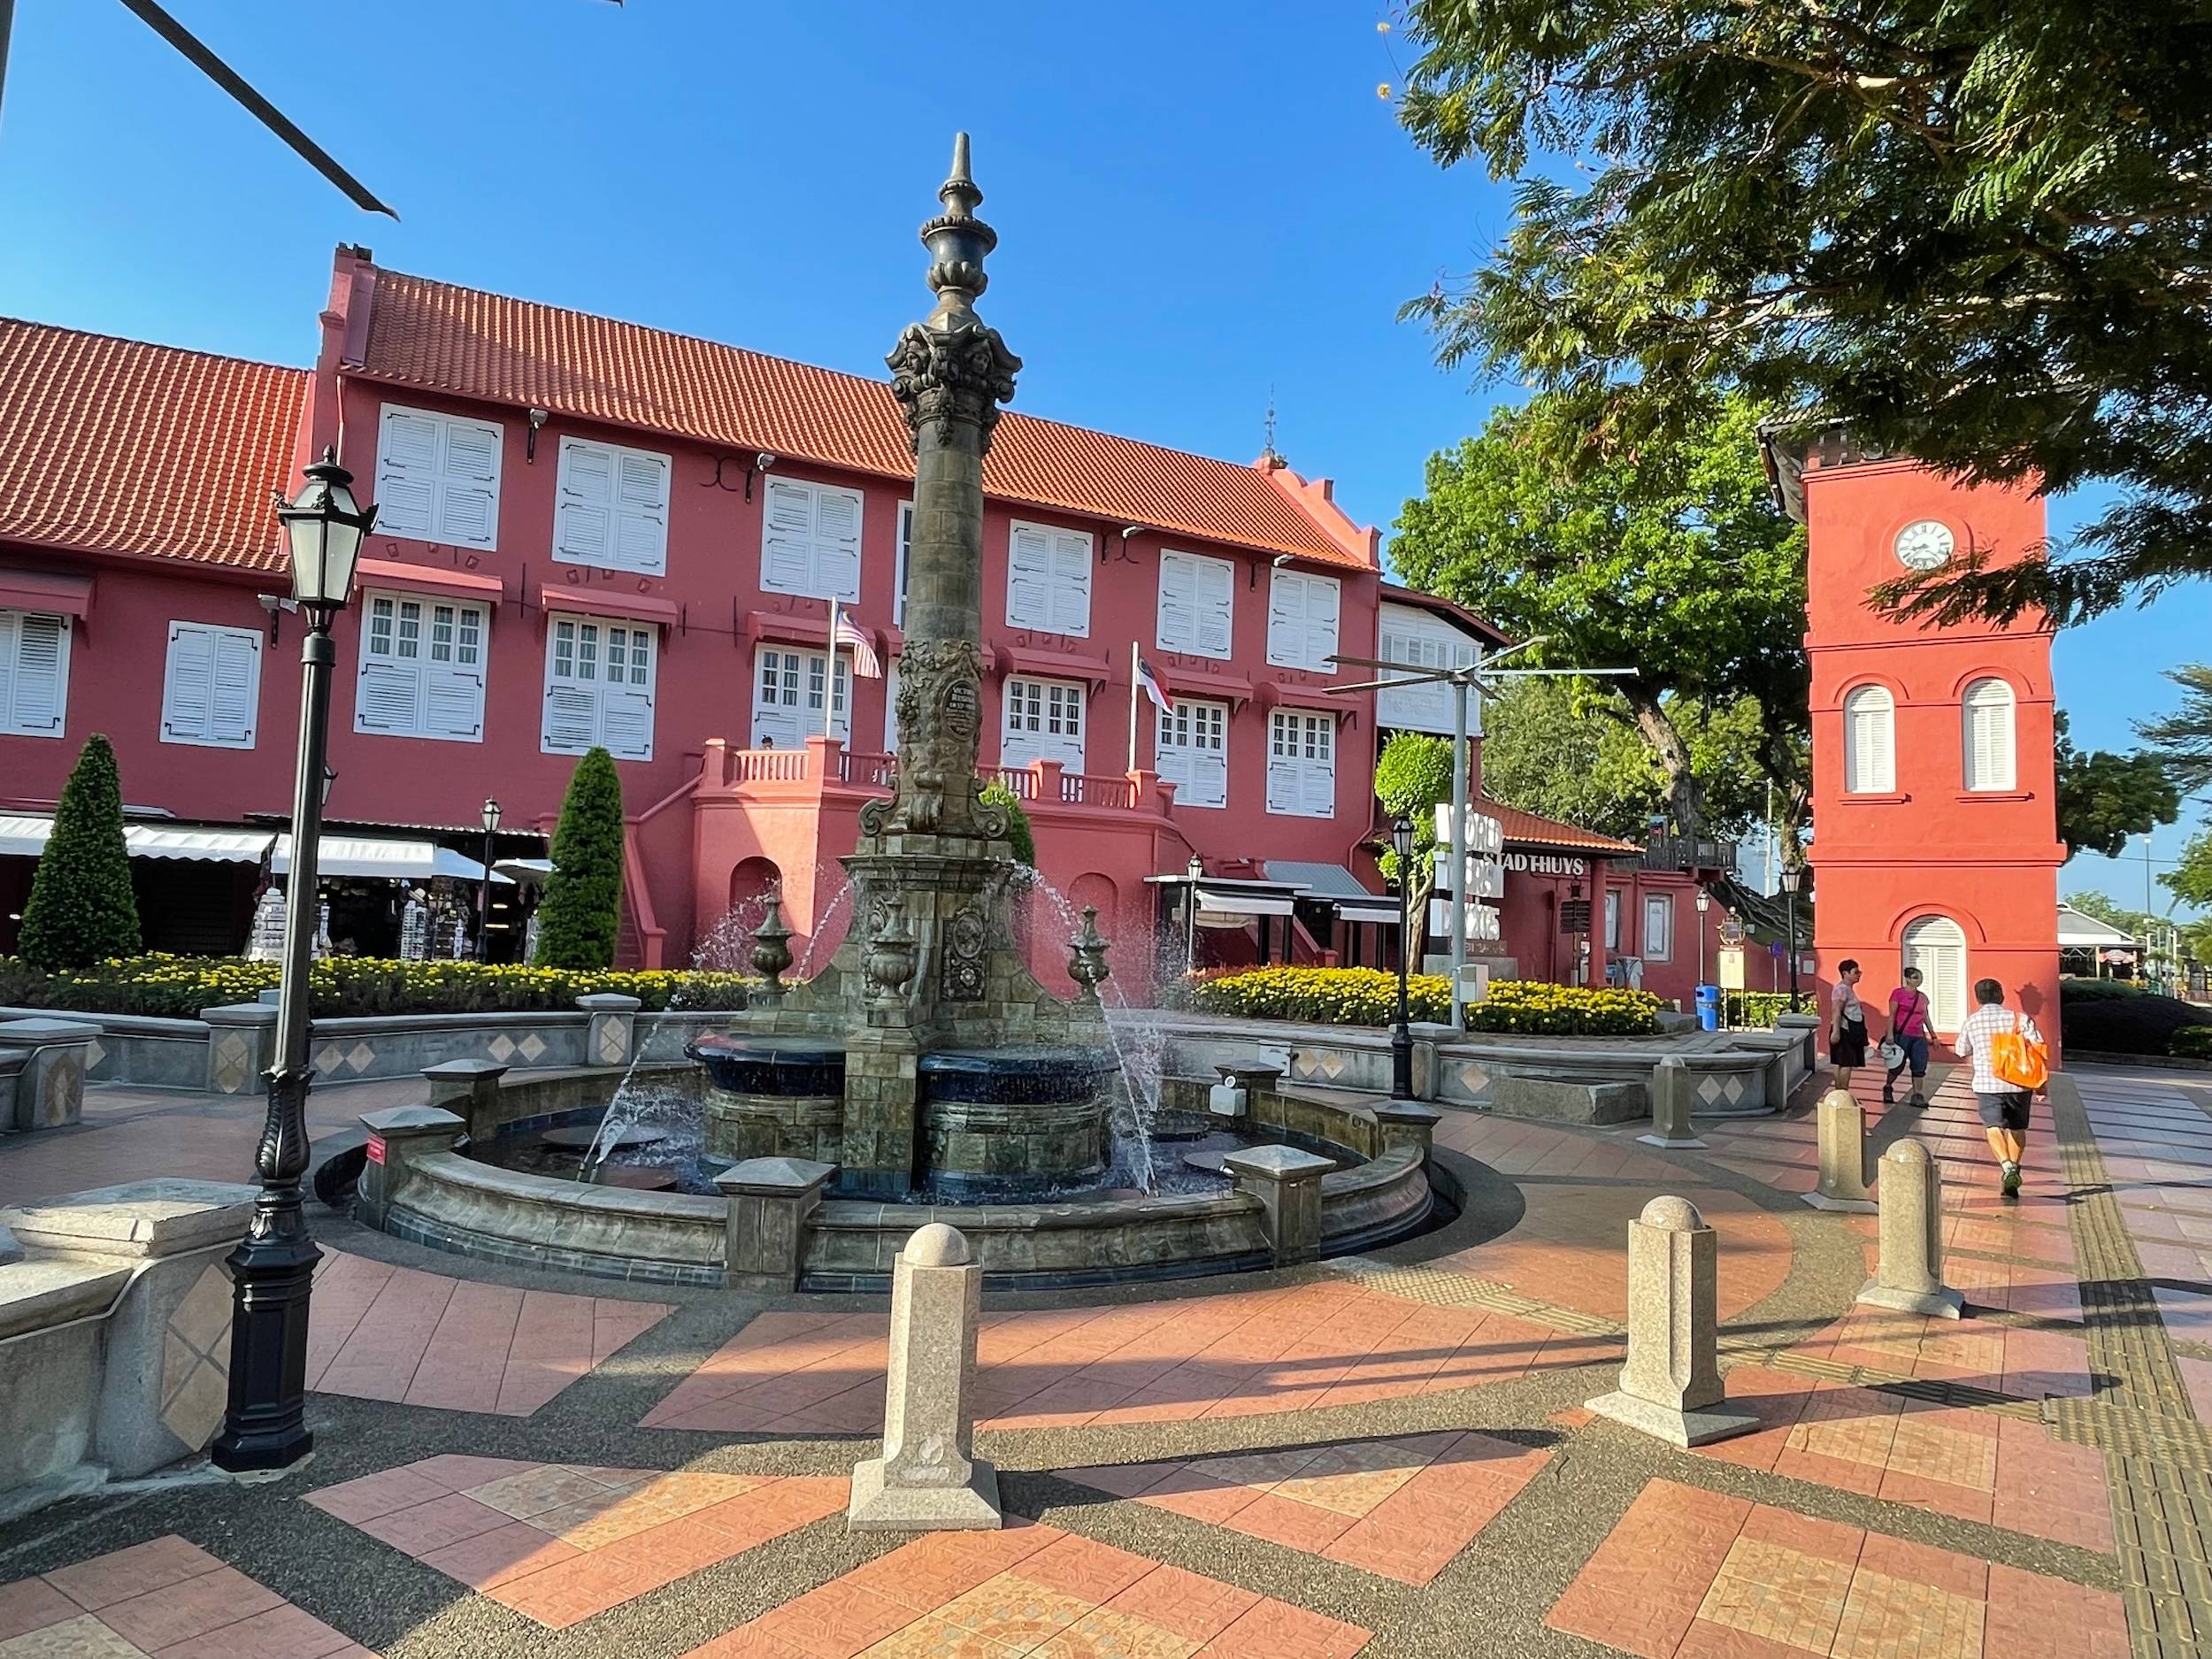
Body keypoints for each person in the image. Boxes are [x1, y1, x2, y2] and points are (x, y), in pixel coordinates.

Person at [1953, 978, 2043, 1198]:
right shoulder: (2020, 1019)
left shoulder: (1972, 1022)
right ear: (2001, 996)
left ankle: (2006, 1166)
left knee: (1993, 1126)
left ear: (1978, 998)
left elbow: (1961, 1050)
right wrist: (2042, 1084)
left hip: (1987, 1084)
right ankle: (2014, 1168)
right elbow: (2038, 1047)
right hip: (2019, 1083)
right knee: (2017, 1128)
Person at [1884, 966, 1932, 1106]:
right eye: (1915, 977)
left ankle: (1917, 1095)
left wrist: (1933, 1035)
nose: (1919, 980)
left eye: (1920, 977)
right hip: (1902, 1035)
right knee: (1897, 1065)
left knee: (1919, 1065)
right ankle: (1888, 1086)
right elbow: (1892, 1015)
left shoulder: (1922, 997)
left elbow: (1925, 1017)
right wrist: (1890, 1034)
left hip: (1919, 1036)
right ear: (1907, 979)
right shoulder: (1898, 994)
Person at [1829, 959, 1869, 1092]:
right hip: (1845, 1029)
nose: (1859, 975)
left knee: (1840, 1061)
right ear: (1845, 973)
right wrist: (1836, 1031)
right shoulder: (1842, 989)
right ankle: (1842, 1091)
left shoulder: (1846, 989)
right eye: (1855, 972)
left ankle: (1840, 1091)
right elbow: (1837, 1010)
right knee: (1845, 1062)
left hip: (1845, 1029)